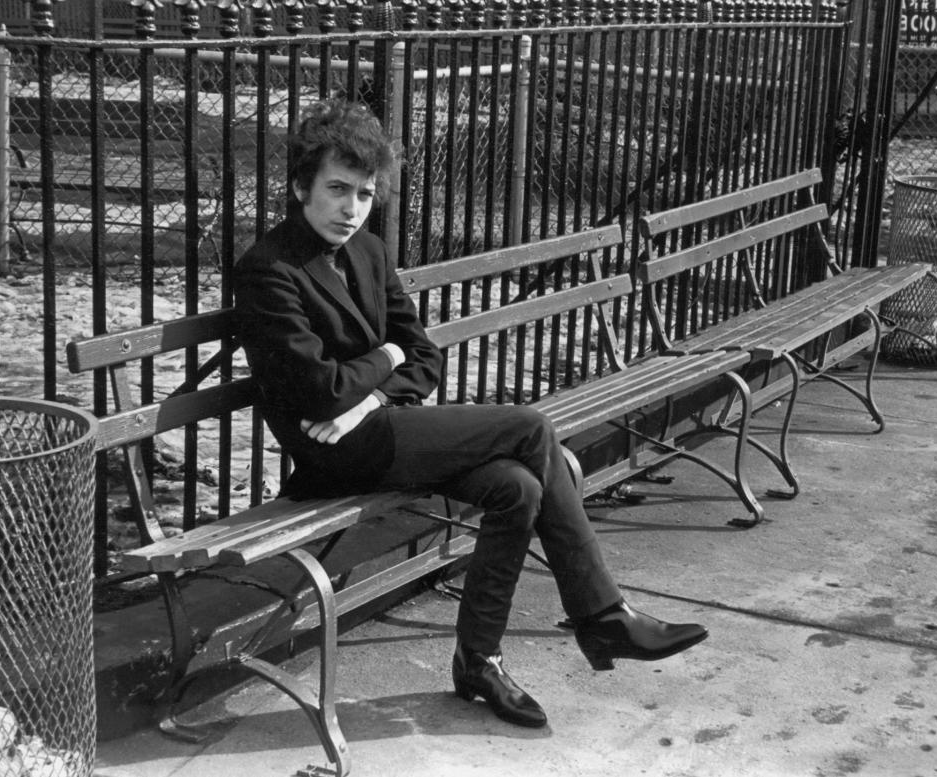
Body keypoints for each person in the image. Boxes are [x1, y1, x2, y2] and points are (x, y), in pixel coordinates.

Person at [234, 99, 707, 729]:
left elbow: (424, 359)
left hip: (376, 427)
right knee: (531, 427)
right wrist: (385, 359)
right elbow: (322, 392)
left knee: (517, 487)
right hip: (333, 453)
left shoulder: (370, 252)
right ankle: (602, 615)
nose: (351, 210)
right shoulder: (270, 270)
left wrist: (370, 393)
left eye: (366, 194)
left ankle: (478, 661)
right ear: (301, 187)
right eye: (337, 190)